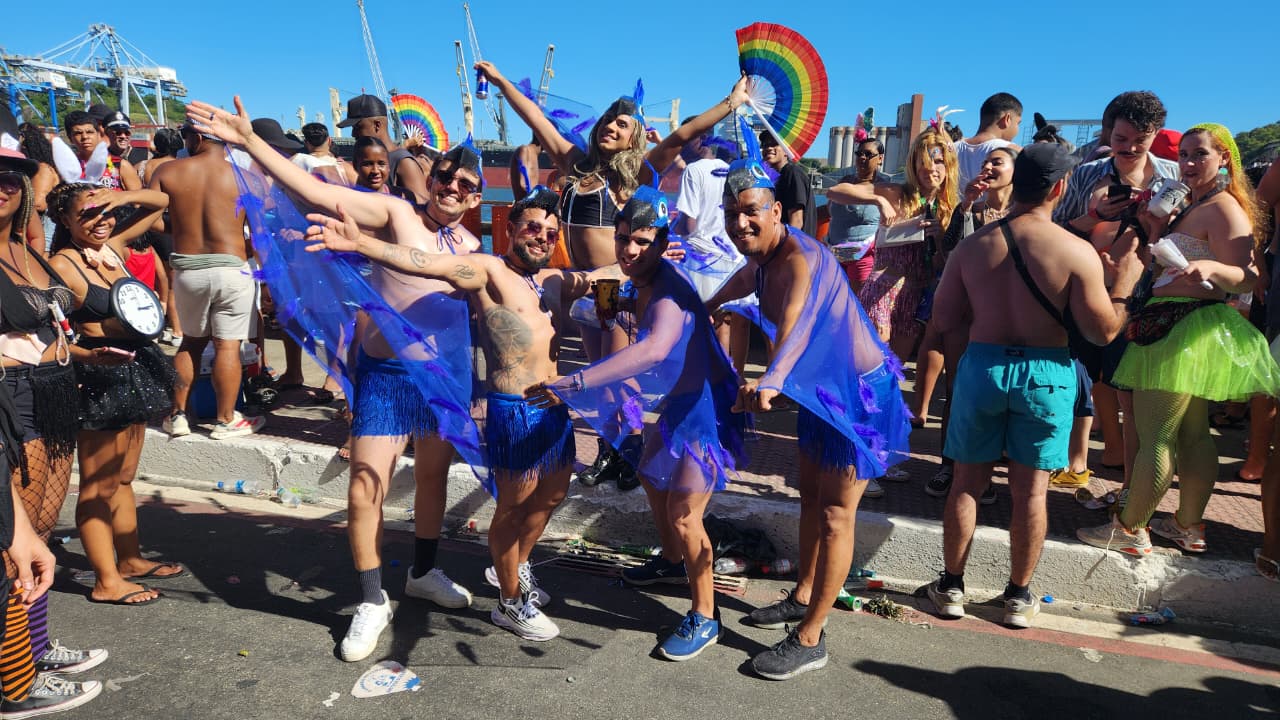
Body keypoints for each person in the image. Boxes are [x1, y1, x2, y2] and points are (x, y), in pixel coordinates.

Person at [187, 96, 483, 662]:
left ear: (475, 198)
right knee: (365, 483)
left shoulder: (471, 246)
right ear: (430, 177)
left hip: (441, 379)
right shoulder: (397, 215)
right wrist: (250, 143)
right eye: (445, 176)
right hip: (385, 379)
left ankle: (423, 571)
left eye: (465, 185)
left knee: (432, 481)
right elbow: (318, 194)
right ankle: (372, 599)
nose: (452, 188)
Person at [305, 187, 614, 642]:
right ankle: (510, 604)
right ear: (510, 227)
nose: (541, 237)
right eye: (531, 226)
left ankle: (517, 570)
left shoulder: (551, 280)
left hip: (554, 411)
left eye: (550, 232)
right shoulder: (487, 270)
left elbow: (599, 274)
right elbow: (425, 262)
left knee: (548, 500)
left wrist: (653, 253)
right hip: (515, 412)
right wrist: (362, 244)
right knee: (512, 509)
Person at [475, 60, 749, 486]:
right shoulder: (574, 167)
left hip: (615, 284)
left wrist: (730, 103)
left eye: (623, 124)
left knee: (620, 377)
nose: (612, 128)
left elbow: (681, 136)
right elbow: (534, 115)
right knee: (601, 372)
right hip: (586, 286)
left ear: (634, 135)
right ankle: (615, 448)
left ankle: (628, 449)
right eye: (609, 120)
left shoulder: (635, 174)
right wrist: (500, 83)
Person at [709, 145, 911, 680]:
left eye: (751, 210)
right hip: (822, 394)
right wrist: (695, 312)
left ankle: (812, 635)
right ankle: (802, 595)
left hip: (859, 398)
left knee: (835, 513)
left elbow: (796, 325)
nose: (741, 222)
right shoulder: (761, 260)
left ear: (777, 211)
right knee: (811, 499)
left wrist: (773, 379)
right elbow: (729, 293)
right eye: (732, 214)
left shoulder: (801, 258)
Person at [924, 143, 1143, 628]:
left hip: (983, 366)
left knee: (966, 483)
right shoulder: (1075, 250)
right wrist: (1123, 285)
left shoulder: (974, 246)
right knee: (1031, 492)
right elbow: (1104, 332)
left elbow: (942, 319)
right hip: (1047, 372)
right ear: (1060, 188)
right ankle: (1018, 598)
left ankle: (952, 586)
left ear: (1014, 183)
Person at [528, 187, 747, 661]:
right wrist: (602, 302)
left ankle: (707, 617)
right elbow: (610, 309)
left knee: (686, 515)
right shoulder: (639, 282)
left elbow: (654, 350)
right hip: (679, 405)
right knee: (649, 476)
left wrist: (575, 382)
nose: (629, 250)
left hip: (706, 412)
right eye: (624, 237)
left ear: (663, 241)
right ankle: (671, 563)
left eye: (642, 241)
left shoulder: (669, 288)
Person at [1076, 125, 1280, 556]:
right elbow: (1163, 263)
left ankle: (1130, 528)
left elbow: (1249, 274)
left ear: (1224, 158)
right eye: (1184, 154)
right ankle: (1187, 524)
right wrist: (1154, 229)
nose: (1188, 163)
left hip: (1182, 331)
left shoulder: (1224, 209)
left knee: (1155, 436)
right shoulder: (1194, 203)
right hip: (1175, 324)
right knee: (1191, 434)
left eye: (1199, 155)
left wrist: (1212, 272)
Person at [0, 149, 106, 717]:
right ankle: (16, 675)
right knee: (13, 540)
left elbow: (50, 324)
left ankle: (36, 648)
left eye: (7, 176)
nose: (1, 186)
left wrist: (88, 353)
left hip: (58, 388)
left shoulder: (26, 247)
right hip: (13, 398)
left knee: (40, 527)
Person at [46, 181, 177, 610]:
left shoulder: (114, 247)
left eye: (103, 213)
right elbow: (47, 335)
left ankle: (132, 560)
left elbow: (162, 202)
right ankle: (106, 580)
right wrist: (88, 353)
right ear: (64, 220)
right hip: (97, 378)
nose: (99, 221)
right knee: (98, 487)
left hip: (135, 371)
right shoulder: (62, 266)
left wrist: (117, 199)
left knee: (123, 479)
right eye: (86, 214)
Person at [1054, 91, 1179, 493]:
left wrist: (1153, 233)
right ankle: (1076, 463)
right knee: (1079, 380)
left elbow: (1187, 246)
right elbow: (1056, 230)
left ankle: (1130, 487)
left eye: (1137, 142)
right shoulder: (1089, 174)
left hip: (1144, 299)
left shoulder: (1173, 179)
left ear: (1154, 135)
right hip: (1086, 293)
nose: (1127, 149)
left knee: (1131, 394)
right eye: (1120, 139)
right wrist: (1093, 218)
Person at [151, 122, 266, 440]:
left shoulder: (168, 171)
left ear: (196, 138)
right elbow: (258, 232)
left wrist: (184, 229)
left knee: (191, 342)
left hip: (189, 270)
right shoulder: (247, 178)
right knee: (228, 345)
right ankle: (226, 419)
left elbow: (151, 220)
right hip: (233, 266)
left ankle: (177, 416)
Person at [827, 138, 891, 293]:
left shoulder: (885, 187)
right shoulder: (845, 182)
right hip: (835, 252)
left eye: (868, 154)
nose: (862, 157)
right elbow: (831, 196)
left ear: (880, 158)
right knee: (833, 303)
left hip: (862, 256)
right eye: (859, 153)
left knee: (857, 305)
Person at [337, 94, 428, 202]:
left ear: (377, 125)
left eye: (357, 127)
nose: (353, 134)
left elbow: (423, 207)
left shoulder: (403, 162)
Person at [59, 111, 141, 192]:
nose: (85, 136)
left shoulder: (121, 165)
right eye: (78, 133)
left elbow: (138, 201)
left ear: (98, 134)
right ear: (70, 138)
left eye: (89, 132)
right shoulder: (65, 168)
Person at [953, 93, 1022, 187]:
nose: (1017, 129)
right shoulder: (1012, 151)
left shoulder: (951, 149)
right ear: (1007, 119)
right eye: (1018, 123)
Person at [760, 130, 816, 236]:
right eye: (765, 145)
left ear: (786, 150)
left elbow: (797, 221)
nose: (768, 148)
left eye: (774, 143)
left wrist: (785, 248)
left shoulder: (792, 173)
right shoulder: (777, 177)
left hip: (796, 248)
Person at [16, 125, 60, 255]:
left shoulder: (43, 168)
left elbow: (40, 204)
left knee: (41, 258)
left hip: (46, 224)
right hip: (36, 223)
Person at [351, 137, 414, 201]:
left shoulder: (404, 197)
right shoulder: (347, 202)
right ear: (355, 166)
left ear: (388, 166)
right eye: (368, 164)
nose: (375, 171)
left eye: (381, 164)